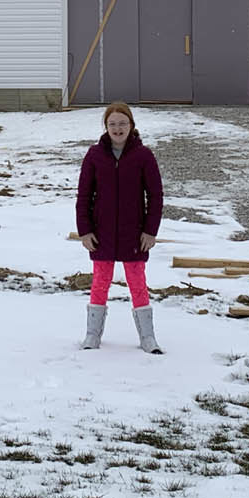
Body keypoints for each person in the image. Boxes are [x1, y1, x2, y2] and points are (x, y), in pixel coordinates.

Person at [75, 101, 164, 353]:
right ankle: (92, 335)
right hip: (101, 233)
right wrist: (85, 230)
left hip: (133, 234)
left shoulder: (143, 155)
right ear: (106, 127)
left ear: (131, 125)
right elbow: (84, 195)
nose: (117, 128)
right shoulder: (94, 155)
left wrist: (150, 230)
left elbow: (155, 196)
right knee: (100, 281)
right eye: (112, 124)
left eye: (122, 123)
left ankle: (148, 338)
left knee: (137, 282)